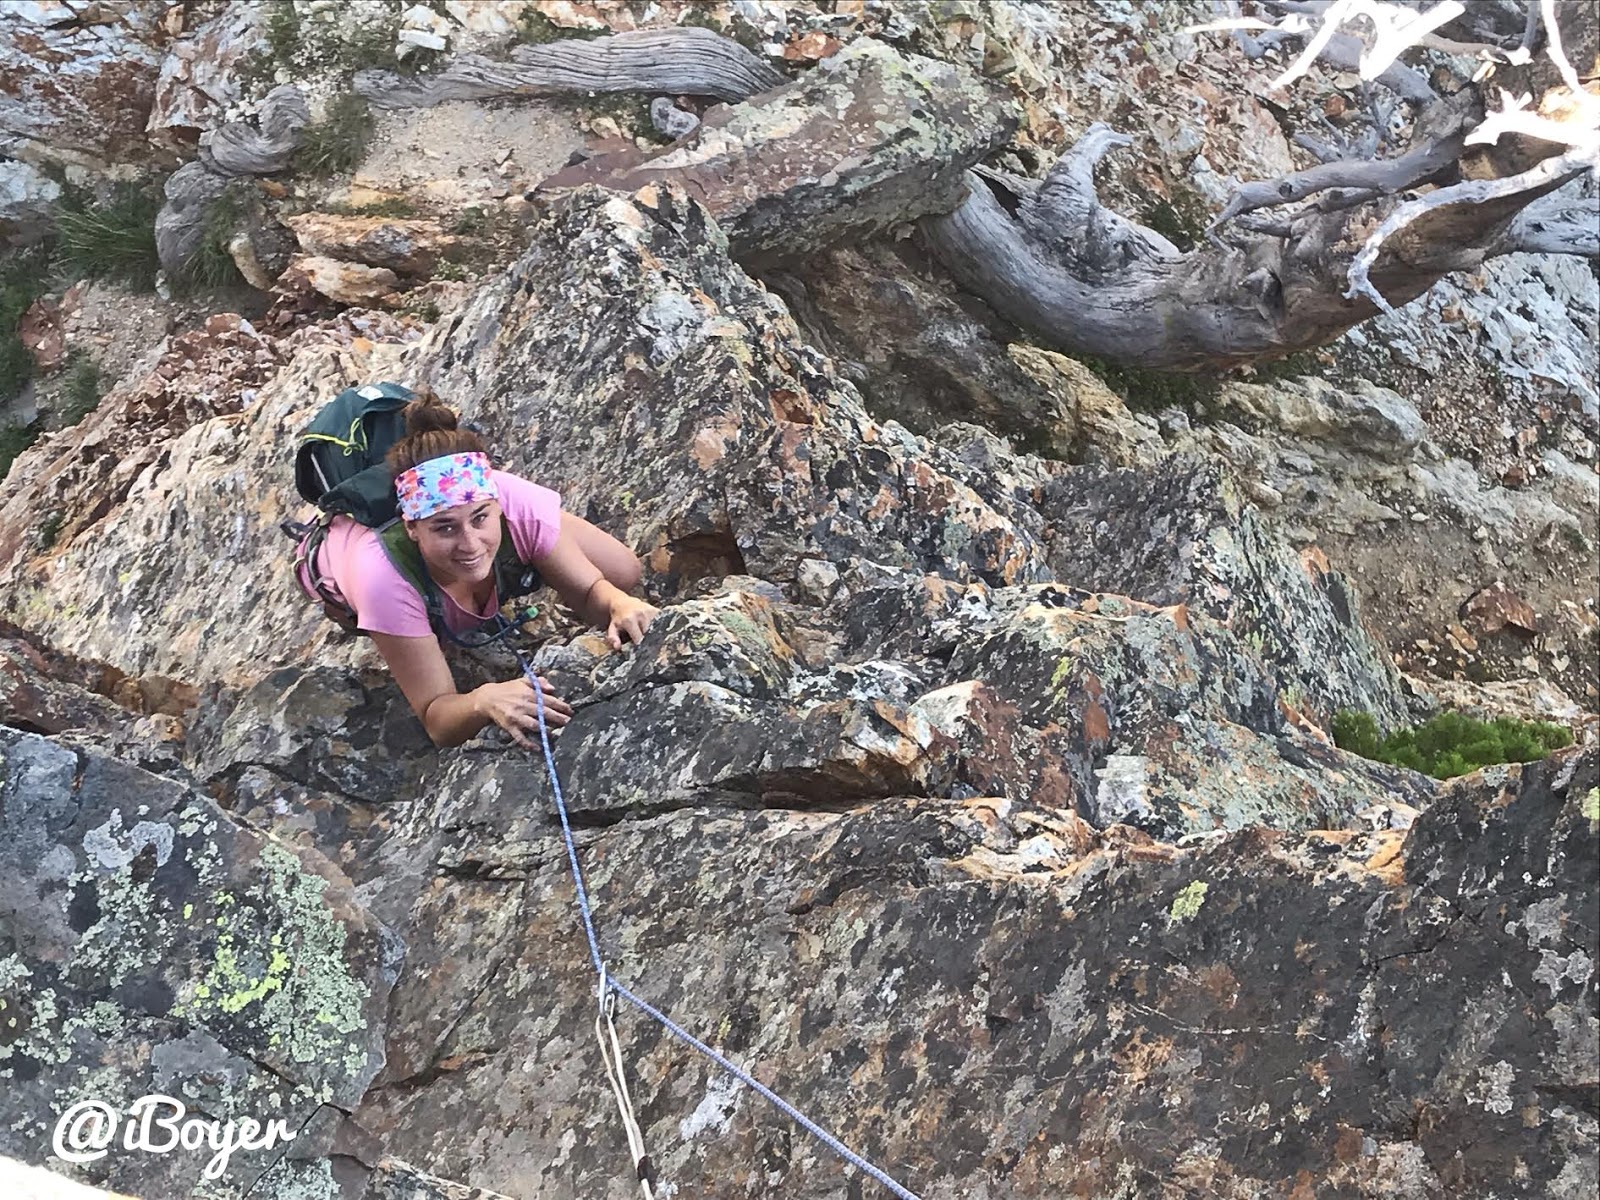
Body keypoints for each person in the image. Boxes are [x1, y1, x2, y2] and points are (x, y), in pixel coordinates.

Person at [296, 391, 658, 749]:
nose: (469, 543)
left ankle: (540, 537)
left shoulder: (513, 500)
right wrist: (482, 700)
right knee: (435, 625)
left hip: (513, 516)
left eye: (480, 518)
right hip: (358, 573)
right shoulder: (383, 576)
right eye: (445, 527)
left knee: (622, 572)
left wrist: (616, 603)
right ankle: (532, 545)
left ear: (497, 504)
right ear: (411, 528)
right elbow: (436, 717)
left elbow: (591, 591)